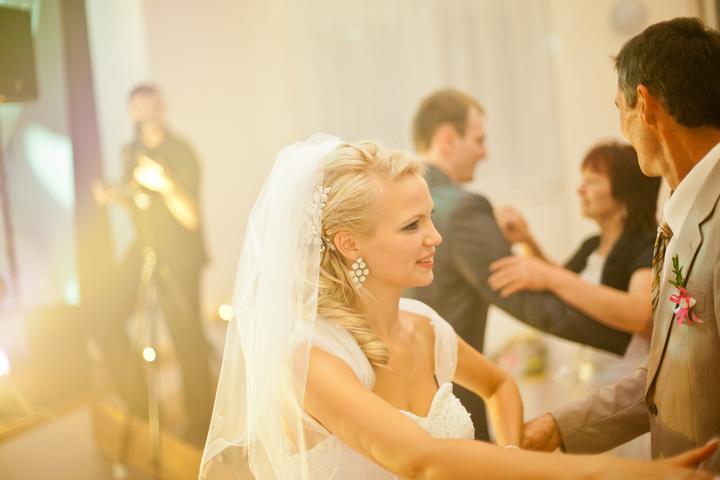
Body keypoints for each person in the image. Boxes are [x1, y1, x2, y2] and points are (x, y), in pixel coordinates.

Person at [200, 134, 716, 479]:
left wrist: (510, 454)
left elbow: (499, 385)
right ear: (349, 243)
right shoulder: (311, 359)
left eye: (430, 217)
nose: (436, 237)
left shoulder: (426, 326)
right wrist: (617, 471)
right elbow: (423, 460)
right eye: (412, 225)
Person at [522, 18, 720, 472]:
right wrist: (559, 426)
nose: (623, 128)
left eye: (620, 109)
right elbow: (671, 373)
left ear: (645, 105)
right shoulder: (681, 214)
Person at [406, 89, 633, 440]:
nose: (484, 152)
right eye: (479, 140)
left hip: (405, 392)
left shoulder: (401, 202)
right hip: (452, 393)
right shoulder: (463, 209)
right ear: (448, 139)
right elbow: (524, 298)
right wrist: (627, 332)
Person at [488, 142, 660, 457]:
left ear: (625, 191)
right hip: (589, 383)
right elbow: (565, 283)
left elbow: (640, 314)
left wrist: (550, 276)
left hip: (627, 389)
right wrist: (526, 240)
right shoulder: (592, 244)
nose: (580, 189)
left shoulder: (645, 244)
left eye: (592, 181)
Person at [92, 84, 213, 444]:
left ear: (163, 109)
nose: (147, 114)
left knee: (186, 338)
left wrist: (166, 184)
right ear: (131, 113)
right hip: (144, 248)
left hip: (180, 254)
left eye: (153, 106)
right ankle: (142, 408)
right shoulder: (130, 152)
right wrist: (113, 197)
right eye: (139, 108)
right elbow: (139, 202)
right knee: (104, 320)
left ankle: (202, 426)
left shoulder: (182, 152)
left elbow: (190, 217)